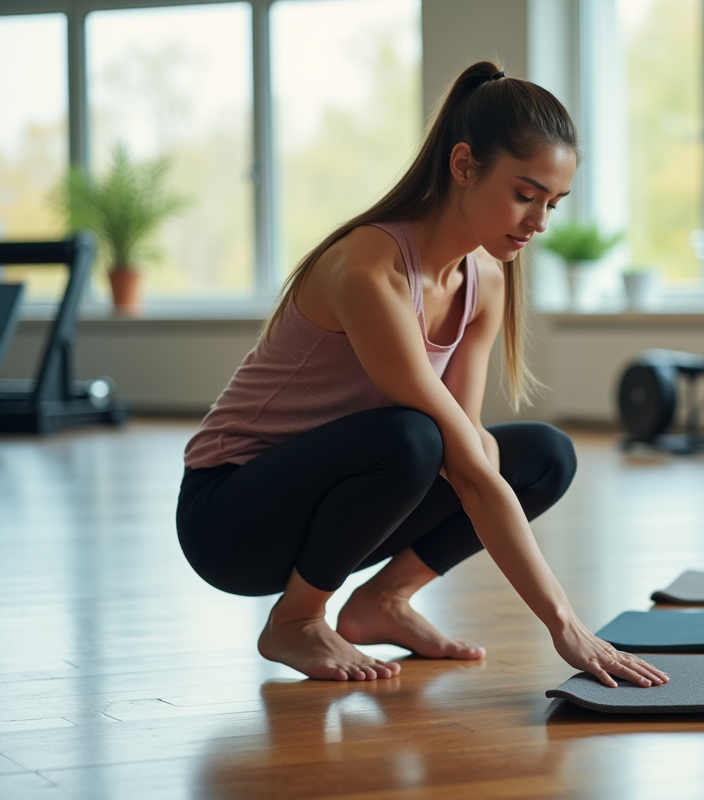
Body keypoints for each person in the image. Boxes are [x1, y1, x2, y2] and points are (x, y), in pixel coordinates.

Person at [175, 61, 668, 690]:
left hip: (333, 499)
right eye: (525, 193)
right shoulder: (367, 268)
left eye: (553, 202)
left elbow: (470, 443)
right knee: (415, 437)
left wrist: (479, 450)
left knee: (542, 455)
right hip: (229, 518)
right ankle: (295, 619)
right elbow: (448, 452)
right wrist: (564, 624)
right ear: (463, 165)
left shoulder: (486, 278)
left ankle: (384, 601)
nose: (539, 222)